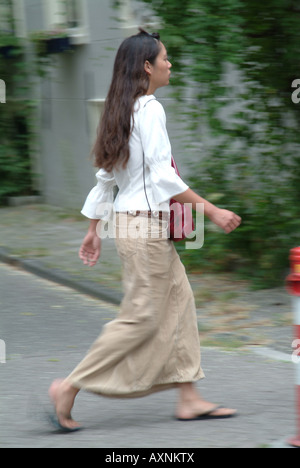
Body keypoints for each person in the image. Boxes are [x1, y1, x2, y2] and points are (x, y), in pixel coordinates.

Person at [48, 29, 241, 432]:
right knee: (141, 317)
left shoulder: (121, 110)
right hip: (145, 228)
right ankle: (69, 386)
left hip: (133, 226)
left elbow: (105, 178)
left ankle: (189, 397)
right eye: (165, 58)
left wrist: (92, 230)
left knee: (179, 302)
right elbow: (163, 176)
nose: (170, 64)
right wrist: (212, 211)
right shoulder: (149, 110)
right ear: (147, 66)